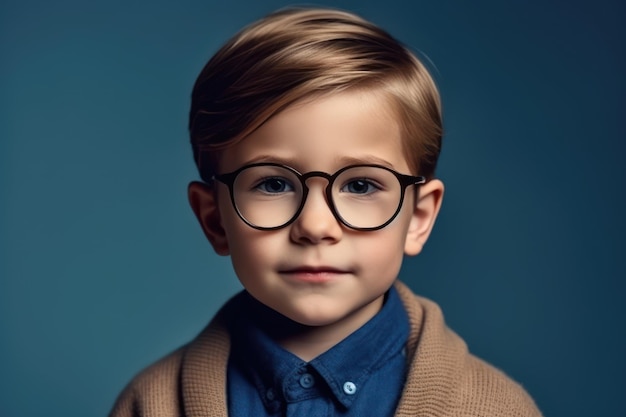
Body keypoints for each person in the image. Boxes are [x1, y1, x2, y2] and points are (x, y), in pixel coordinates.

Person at [109, 7, 542, 417]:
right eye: (274, 184)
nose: (315, 227)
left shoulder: (495, 407)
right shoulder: (150, 404)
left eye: (360, 184)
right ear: (215, 219)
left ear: (418, 218)